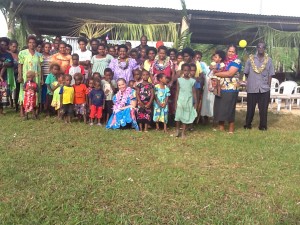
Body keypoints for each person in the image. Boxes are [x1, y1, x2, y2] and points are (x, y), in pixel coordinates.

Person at [244, 42, 275, 130]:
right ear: (257, 48)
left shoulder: (269, 60)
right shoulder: (250, 59)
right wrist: (251, 80)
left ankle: (263, 126)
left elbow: (271, 74)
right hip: (252, 88)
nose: (261, 48)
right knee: (250, 108)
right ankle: (248, 125)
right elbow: (246, 73)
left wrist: (268, 86)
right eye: (259, 47)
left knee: (263, 109)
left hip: (264, 89)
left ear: (265, 48)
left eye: (263, 47)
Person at [213, 44, 242, 134]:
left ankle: (231, 128)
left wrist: (216, 74)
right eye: (229, 51)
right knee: (220, 107)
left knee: (229, 108)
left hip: (231, 88)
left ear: (236, 53)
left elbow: (230, 73)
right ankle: (221, 127)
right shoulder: (224, 61)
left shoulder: (237, 61)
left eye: (233, 51)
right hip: (221, 87)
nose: (230, 53)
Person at [18, 35, 43, 117]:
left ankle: (35, 111)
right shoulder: (22, 53)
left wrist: (42, 79)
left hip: (36, 77)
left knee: (35, 92)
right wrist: (20, 76)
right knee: (24, 92)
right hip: (26, 77)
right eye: (30, 42)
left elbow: (41, 67)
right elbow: (20, 65)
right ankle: (22, 110)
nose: (32, 44)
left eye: (33, 43)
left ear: (36, 44)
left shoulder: (39, 55)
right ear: (27, 43)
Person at [174, 63, 197, 138]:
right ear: (182, 71)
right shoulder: (179, 80)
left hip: (188, 101)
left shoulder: (192, 81)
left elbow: (194, 92)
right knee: (178, 116)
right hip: (180, 100)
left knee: (186, 117)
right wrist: (175, 102)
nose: (186, 72)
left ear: (190, 71)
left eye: (188, 70)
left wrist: (195, 102)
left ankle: (183, 132)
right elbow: (177, 91)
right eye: (184, 70)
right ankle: (177, 130)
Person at [0, 37, 14, 114]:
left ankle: (2, 109)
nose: (3, 46)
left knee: (3, 93)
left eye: (5, 45)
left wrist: (3, 64)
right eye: (2, 44)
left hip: (5, 77)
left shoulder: (8, 54)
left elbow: (11, 64)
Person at [8, 40, 19, 110]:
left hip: (17, 74)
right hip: (9, 74)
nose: (15, 48)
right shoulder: (7, 54)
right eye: (13, 46)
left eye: (16, 47)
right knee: (9, 90)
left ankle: (16, 105)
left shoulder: (19, 54)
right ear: (10, 46)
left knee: (17, 89)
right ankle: (10, 103)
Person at [41, 42, 52, 110]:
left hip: (50, 75)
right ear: (43, 48)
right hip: (43, 75)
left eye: (48, 47)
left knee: (50, 91)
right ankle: (43, 106)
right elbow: (41, 67)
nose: (47, 48)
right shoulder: (41, 56)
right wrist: (41, 77)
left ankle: (49, 106)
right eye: (46, 47)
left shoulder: (52, 56)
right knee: (44, 91)